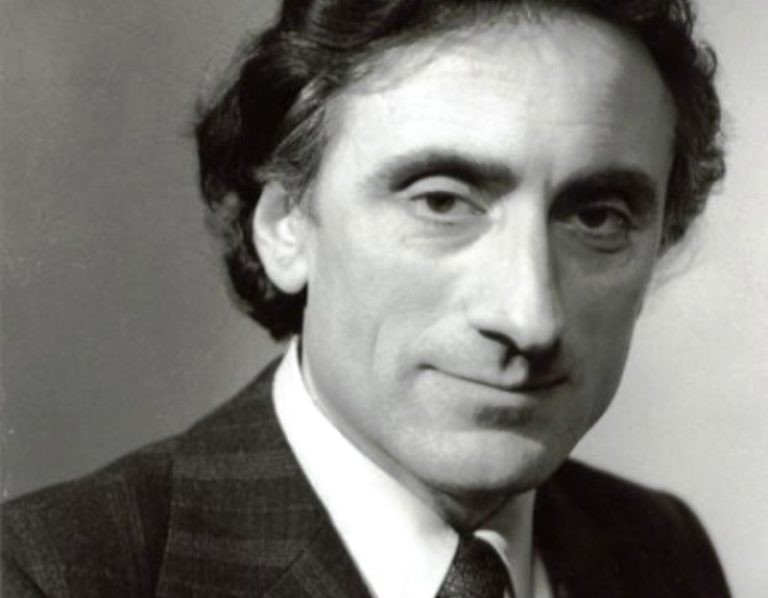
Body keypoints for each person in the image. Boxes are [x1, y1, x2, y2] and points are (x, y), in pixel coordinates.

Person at [1, 0, 730, 596]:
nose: (529, 316)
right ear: (286, 224)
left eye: (597, 218)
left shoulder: (663, 551)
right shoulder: (50, 576)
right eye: (441, 202)